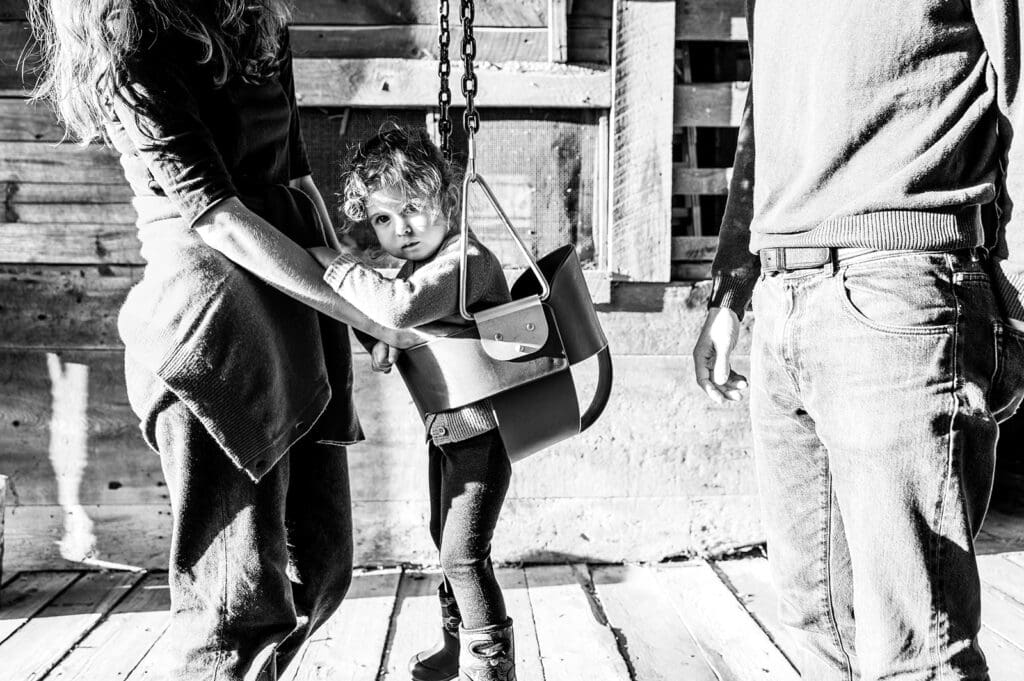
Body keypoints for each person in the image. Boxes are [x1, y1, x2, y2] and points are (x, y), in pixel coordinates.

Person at [27, 2, 416, 679]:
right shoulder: (131, 44)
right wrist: (368, 315)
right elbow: (219, 218)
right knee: (234, 609)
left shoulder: (256, 15)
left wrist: (358, 291)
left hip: (292, 303)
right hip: (214, 325)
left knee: (322, 567)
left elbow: (293, 178)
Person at [693, 2, 1024, 680]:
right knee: (820, 629)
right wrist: (732, 283)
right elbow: (769, 118)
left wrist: (1015, 302)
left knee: (916, 654)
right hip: (783, 295)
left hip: (899, 279)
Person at [308, 126, 517, 681]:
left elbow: (398, 309)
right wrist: (381, 343)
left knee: (463, 555)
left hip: (483, 432)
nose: (400, 229)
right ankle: (459, 645)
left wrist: (334, 262)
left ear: (445, 201)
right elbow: (402, 324)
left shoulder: (464, 260)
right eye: (382, 219)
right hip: (447, 429)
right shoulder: (421, 264)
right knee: (442, 538)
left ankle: (492, 668)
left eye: (414, 209)